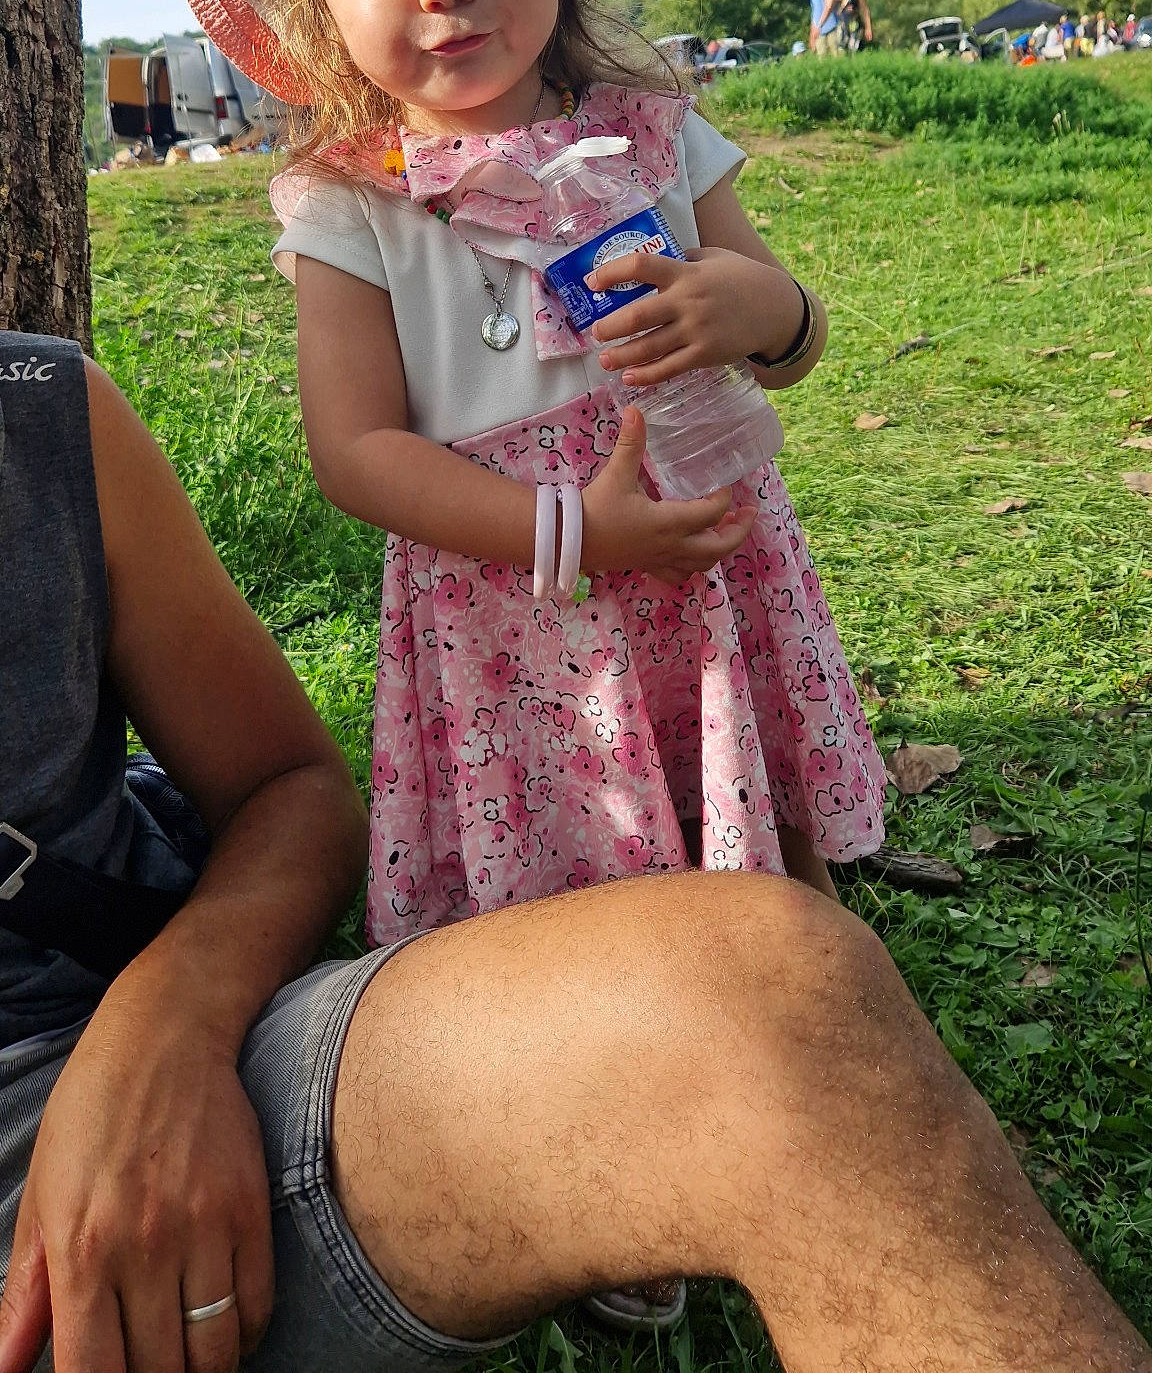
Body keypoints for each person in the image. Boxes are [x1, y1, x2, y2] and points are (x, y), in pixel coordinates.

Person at [2, 335, 1151, 1373]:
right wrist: (565, 528)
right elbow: (354, 452)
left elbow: (289, 786)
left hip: (127, 1054)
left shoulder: (42, 413)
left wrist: (162, 1026)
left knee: (771, 997)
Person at [154, 0, 888, 970]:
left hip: (707, 552)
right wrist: (572, 529)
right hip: (517, 596)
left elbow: (793, 332)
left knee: (741, 781)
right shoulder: (349, 203)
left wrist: (761, 307)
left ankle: (806, 975)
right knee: (565, 881)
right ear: (320, 1)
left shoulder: (655, 130)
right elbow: (356, 447)